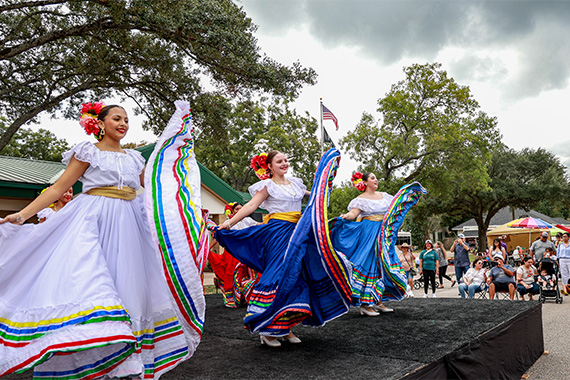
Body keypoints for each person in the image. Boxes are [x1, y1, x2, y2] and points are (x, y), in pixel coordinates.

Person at [0, 102, 205, 377]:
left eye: (126, 120)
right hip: (93, 221)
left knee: (131, 285)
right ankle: (91, 353)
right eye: (116, 118)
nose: (123, 124)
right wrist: (23, 215)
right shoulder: (87, 151)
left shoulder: (134, 158)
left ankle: (127, 361)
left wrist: (185, 212)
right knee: (94, 282)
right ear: (100, 123)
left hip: (131, 223)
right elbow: (59, 188)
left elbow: (155, 190)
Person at [215, 149, 353, 347]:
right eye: (279, 161)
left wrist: (327, 179)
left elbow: (316, 196)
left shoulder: (296, 184)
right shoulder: (267, 186)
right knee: (279, 275)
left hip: (298, 232)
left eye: (286, 160)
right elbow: (251, 206)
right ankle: (265, 327)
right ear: (269, 166)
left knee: (297, 276)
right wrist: (228, 223)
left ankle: (285, 327)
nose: (284, 163)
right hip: (278, 233)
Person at [330, 172, 425, 316]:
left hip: (384, 234)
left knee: (383, 265)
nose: (376, 180)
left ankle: (378, 300)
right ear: (365, 182)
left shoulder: (385, 196)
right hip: (369, 234)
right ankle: (365, 304)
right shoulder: (360, 200)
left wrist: (410, 200)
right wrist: (345, 216)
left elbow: (397, 206)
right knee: (369, 264)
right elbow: (353, 214)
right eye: (372, 178)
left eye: (376, 178)